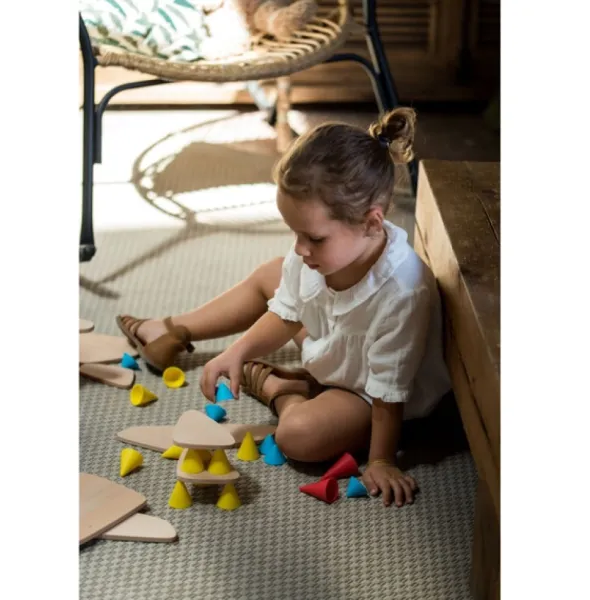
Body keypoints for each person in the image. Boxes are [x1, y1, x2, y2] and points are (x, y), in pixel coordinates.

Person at [116, 107, 452, 508]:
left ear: (372, 223)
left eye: (314, 238)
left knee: (299, 436)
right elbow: (286, 313)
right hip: (334, 340)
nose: (300, 248)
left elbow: (388, 393)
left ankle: (283, 390)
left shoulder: (403, 293)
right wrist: (237, 351)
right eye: (295, 232)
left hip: (368, 392)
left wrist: (380, 460)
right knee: (272, 274)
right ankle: (172, 329)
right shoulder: (320, 252)